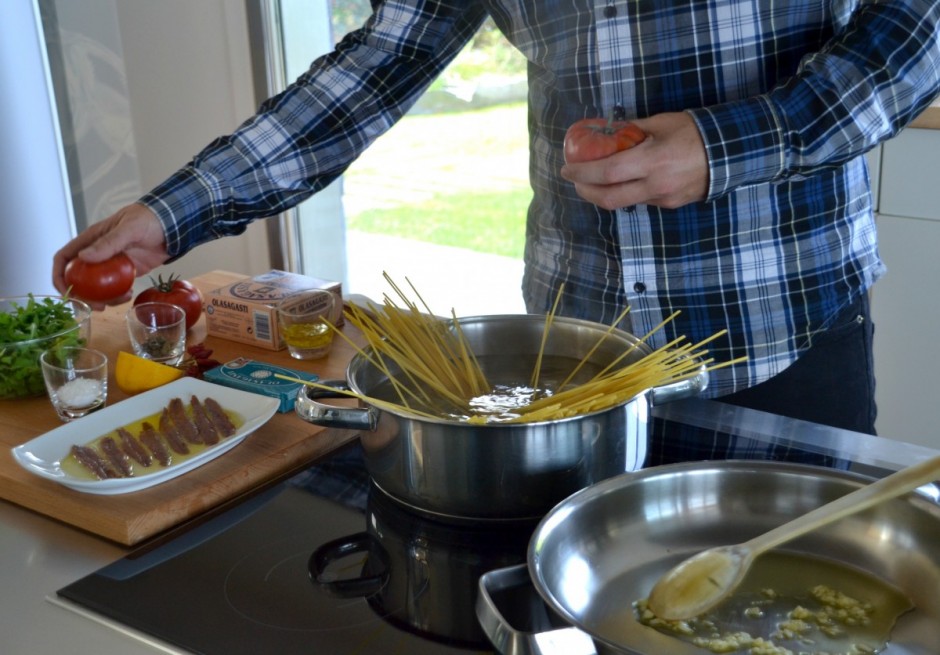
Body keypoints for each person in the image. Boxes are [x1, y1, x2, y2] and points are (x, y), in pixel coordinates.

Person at [54, 2, 940, 447]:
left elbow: (916, 23)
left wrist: (727, 146)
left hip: (783, 336)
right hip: (572, 349)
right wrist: (174, 211)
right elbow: (382, 59)